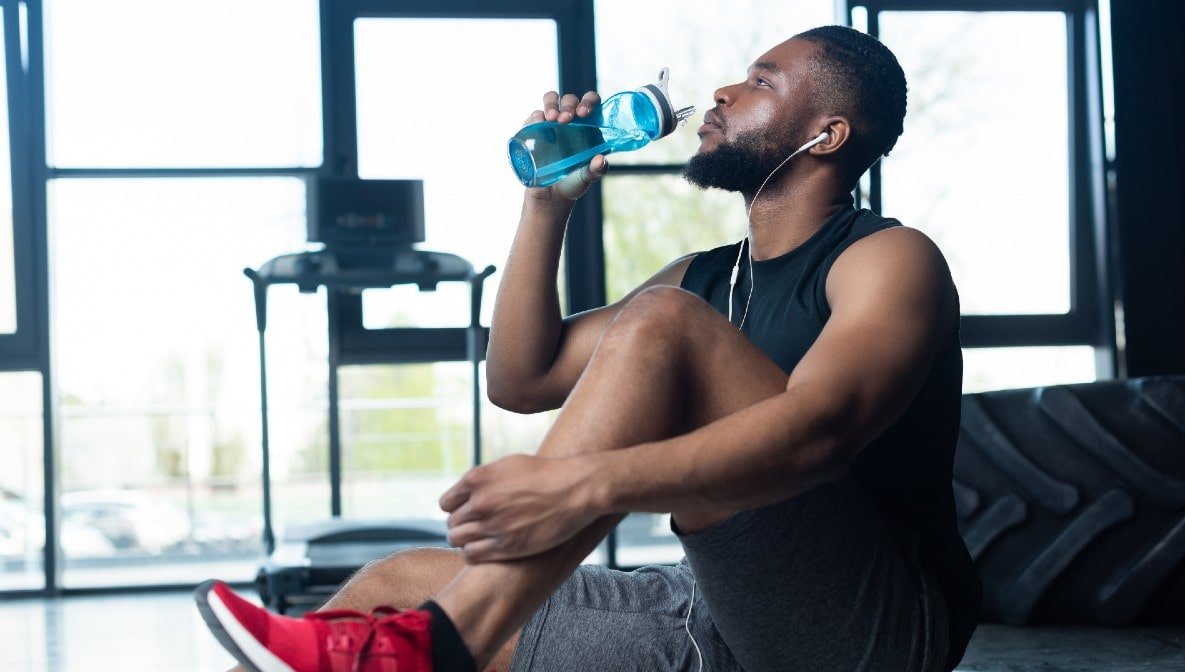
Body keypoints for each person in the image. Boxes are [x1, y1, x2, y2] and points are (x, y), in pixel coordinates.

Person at [195, 24, 981, 672]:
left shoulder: (888, 257)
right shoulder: (710, 277)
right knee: (388, 587)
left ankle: (440, 644)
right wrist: (547, 208)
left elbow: (820, 431)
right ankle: (428, 637)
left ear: (826, 134)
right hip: (713, 606)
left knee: (662, 320)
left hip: (872, 631)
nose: (721, 94)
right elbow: (521, 377)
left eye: (761, 82)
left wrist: (581, 487)